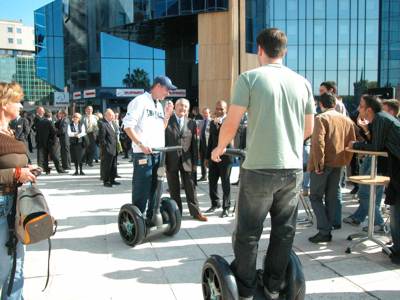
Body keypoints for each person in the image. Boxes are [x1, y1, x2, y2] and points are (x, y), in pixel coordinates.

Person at [211, 28, 314, 299]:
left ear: (259, 49)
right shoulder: (302, 82)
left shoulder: (249, 78)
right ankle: (272, 286)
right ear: (285, 51)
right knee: (284, 232)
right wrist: (287, 143)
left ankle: (244, 290)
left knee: (248, 232)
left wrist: (220, 148)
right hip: (292, 168)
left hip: (258, 169)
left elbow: (231, 122)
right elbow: (309, 128)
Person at [348, 95, 400, 265]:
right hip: (395, 166)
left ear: (369, 109)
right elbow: (376, 142)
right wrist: (364, 129)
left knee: (397, 208)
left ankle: (398, 251)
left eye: (361, 106)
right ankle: (396, 246)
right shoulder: (381, 119)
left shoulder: (380, 119)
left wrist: (355, 145)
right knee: (395, 207)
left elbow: (375, 147)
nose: (358, 109)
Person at [0, 82, 37, 300]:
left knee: (16, 268)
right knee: (11, 270)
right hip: (2, 206)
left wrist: (26, 170)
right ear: (3, 104)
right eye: (16, 100)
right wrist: (16, 174)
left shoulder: (10, 130)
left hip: (15, 204)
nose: (21, 105)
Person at [123, 76, 175, 223]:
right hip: (143, 154)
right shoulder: (139, 101)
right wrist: (140, 144)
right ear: (158, 86)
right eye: (167, 89)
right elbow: (128, 126)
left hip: (158, 153)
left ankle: (151, 217)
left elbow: (161, 128)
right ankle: (136, 221)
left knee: (156, 188)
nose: (168, 93)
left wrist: (167, 116)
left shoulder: (159, 105)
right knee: (142, 188)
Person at [307, 93, 356, 243]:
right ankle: (330, 225)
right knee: (331, 197)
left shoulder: (321, 118)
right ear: (334, 104)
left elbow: (318, 142)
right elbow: (354, 140)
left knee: (315, 196)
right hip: (339, 163)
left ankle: (324, 231)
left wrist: (318, 163)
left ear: (321, 104)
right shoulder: (347, 120)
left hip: (324, 163)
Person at [165, 98, 207, 221]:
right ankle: (177, 213)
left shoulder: (191, 123)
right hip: (171, 160)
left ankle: (196, 212)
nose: (183, 108)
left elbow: (195, 144)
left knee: (191, 188)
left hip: (187, 161)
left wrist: (195, 163)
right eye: (181, 106)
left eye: (185, 107)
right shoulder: (167, 121)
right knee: (174, 189)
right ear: (175, 107)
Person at [206, 100, 233, 218]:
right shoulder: (213, 122)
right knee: (212, 181)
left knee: (225, 182)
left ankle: (226, 208)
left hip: (225, 158)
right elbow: (211, 140)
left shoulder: (230, 121)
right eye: (217, 108)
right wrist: (207, 157)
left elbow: (227, 137)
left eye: (221, 109)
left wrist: (218, 125)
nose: (219, 111)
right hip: (213, 157)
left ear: (226, 109)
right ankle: (215, 204)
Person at [98, 109, 119, 187]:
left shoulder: (112, 123)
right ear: (106, 116)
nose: (113, 116)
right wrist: (105, 148)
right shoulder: (103, 124)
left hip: (114, 148)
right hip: (107, 149)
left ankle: (112, 179)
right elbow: (102, 138)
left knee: (113, 165)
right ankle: (106, 181)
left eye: (113, 115)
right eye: (111, 115)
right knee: (107, 166)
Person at [198, 107, 211, 181]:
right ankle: (204, 175)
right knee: (202, 160)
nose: (205, 115)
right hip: (201, 144)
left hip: (208, 144)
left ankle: (210, 175)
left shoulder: (212, 122)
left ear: (209, 113)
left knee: (209, 160)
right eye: (204, 113)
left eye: (206, 113)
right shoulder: (201, 122)